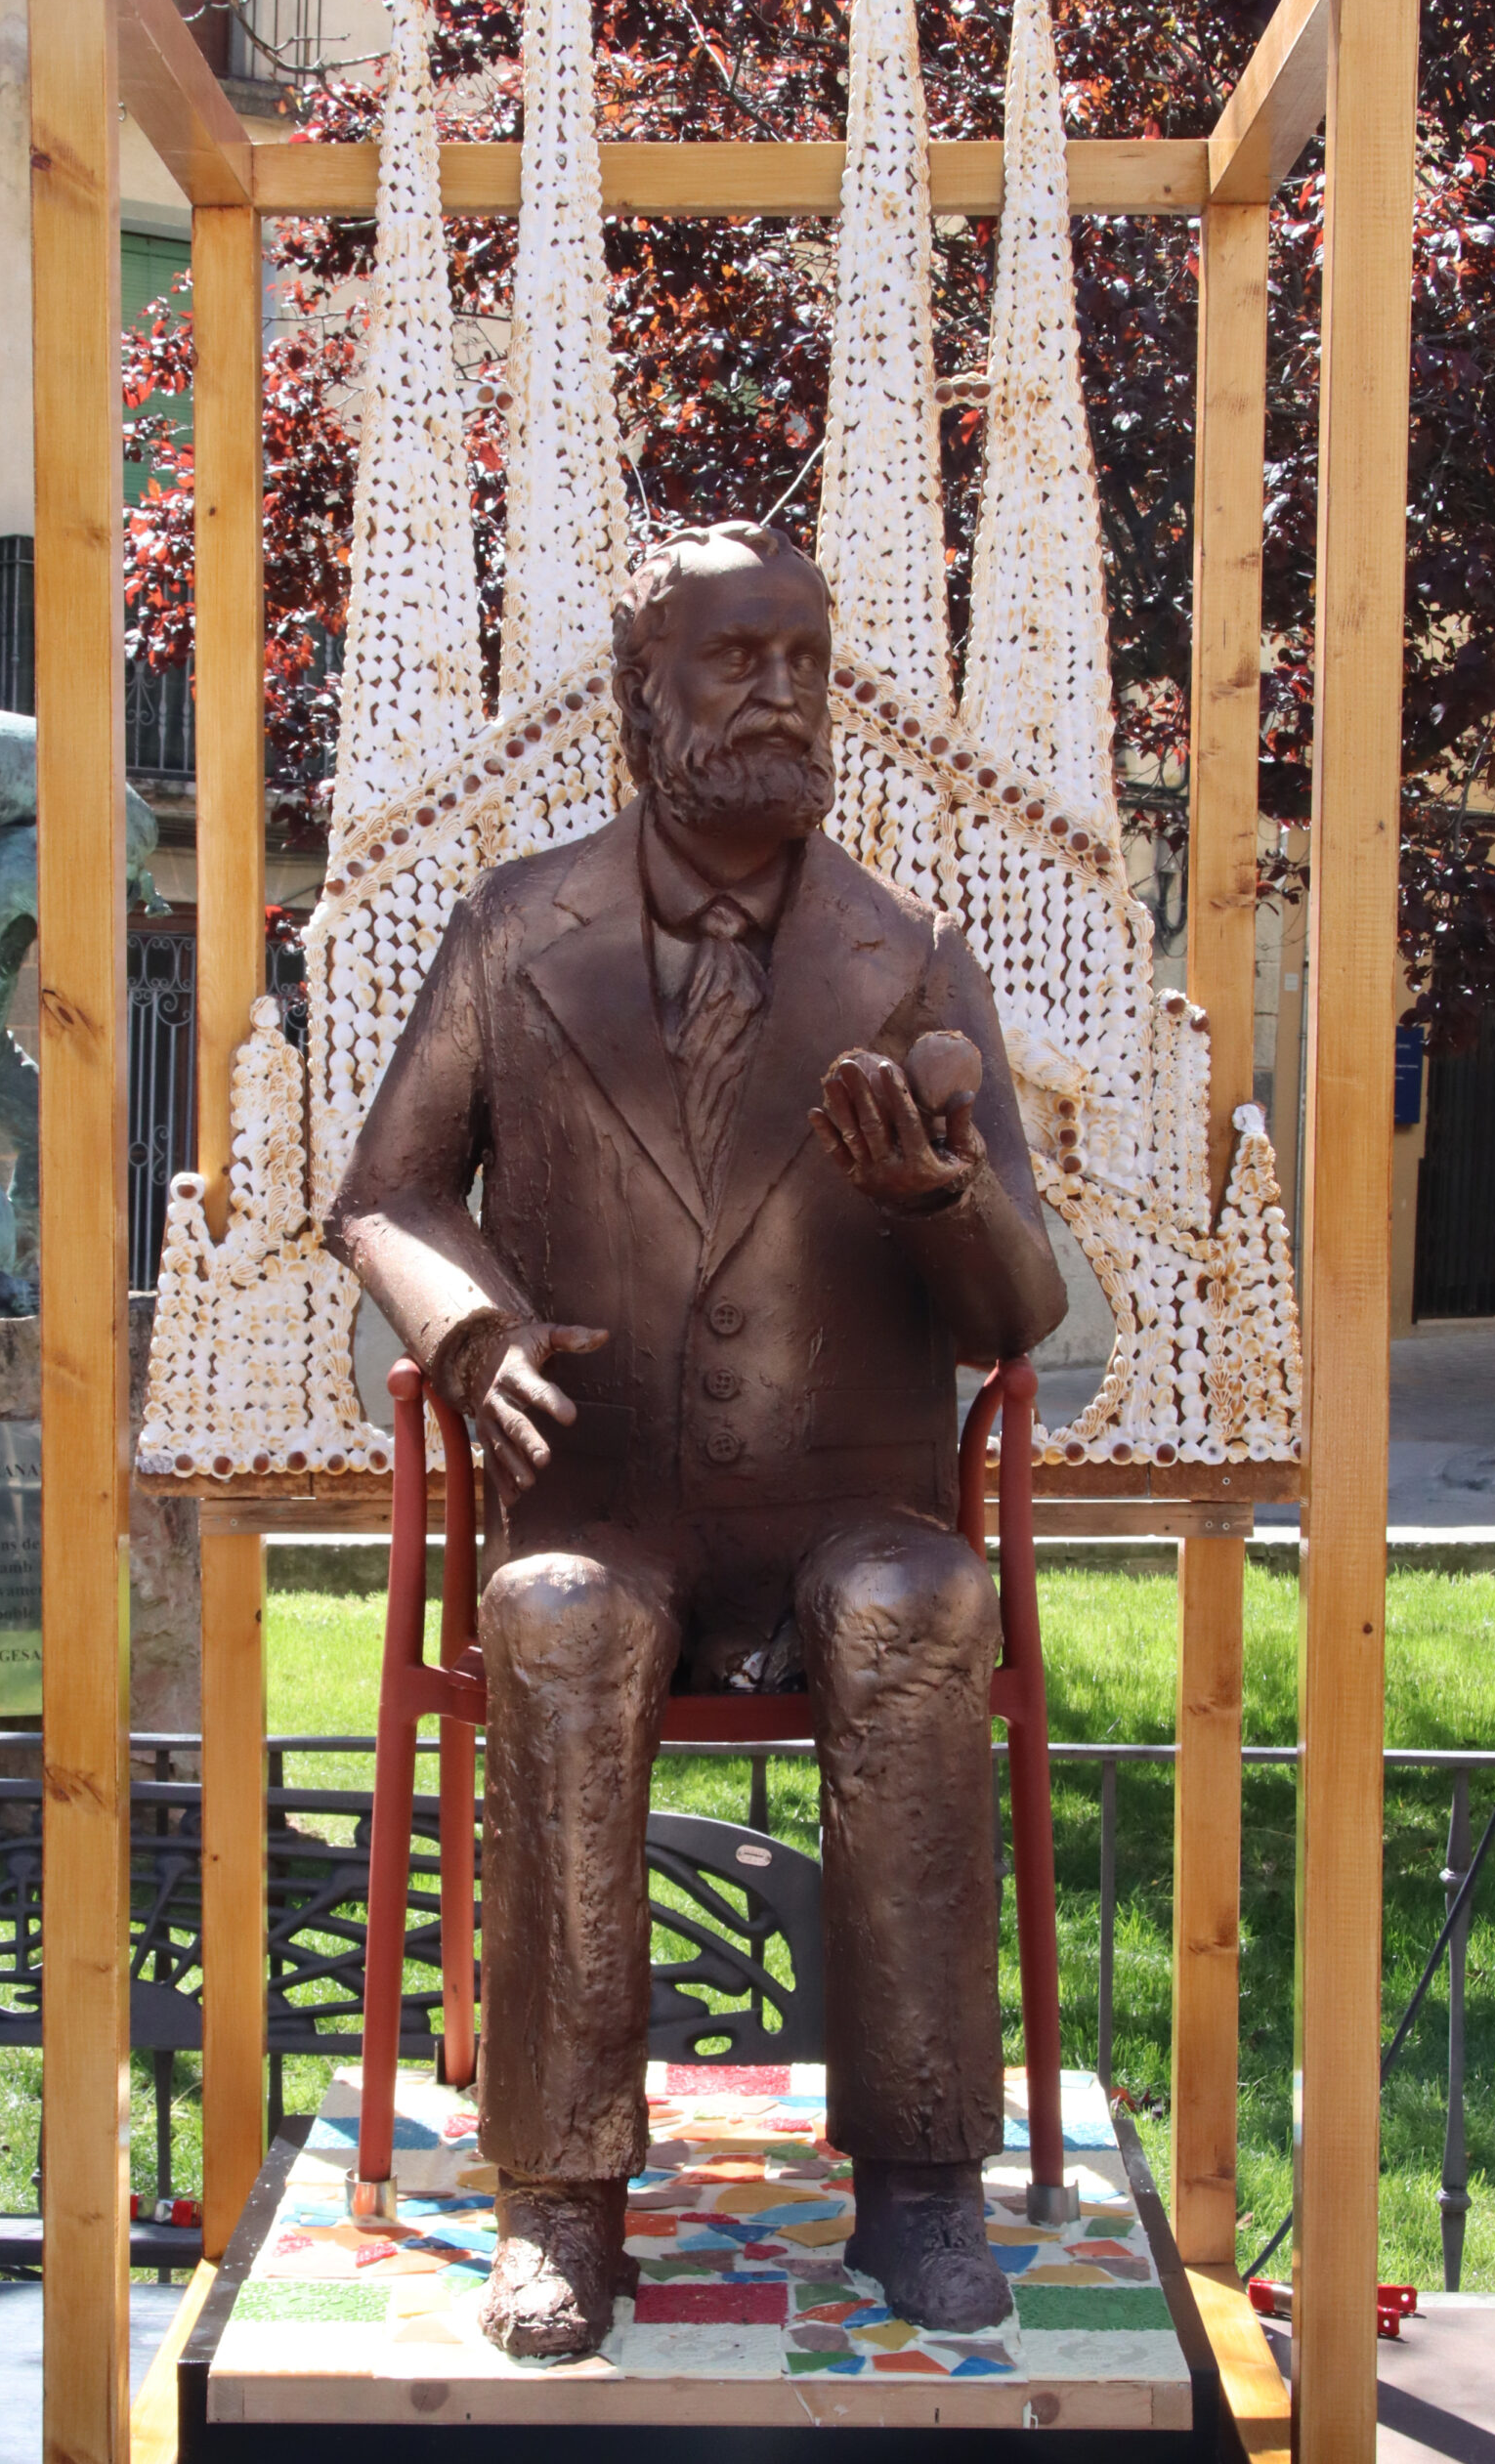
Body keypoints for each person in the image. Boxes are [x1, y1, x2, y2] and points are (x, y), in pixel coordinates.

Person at [327, 521, 1066, 2358]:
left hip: (847, 1505)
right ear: (640, 694)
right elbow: (389, 1192)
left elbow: (1019, 1311)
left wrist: (940, 1200)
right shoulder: (515, 930)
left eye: (805, 661)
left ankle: (921, 2182)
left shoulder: (912, 957)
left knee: (918, 1603)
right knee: (557, 1621)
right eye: (738, 659)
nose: (783, 697)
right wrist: (471, 1326)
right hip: (604, 1496)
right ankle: (560, 2197)